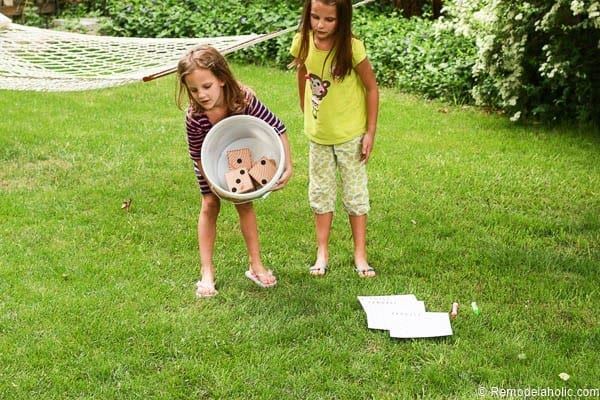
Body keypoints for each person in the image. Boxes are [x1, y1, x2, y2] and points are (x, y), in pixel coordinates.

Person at [176, 45, 293, 297]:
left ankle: (255, 264)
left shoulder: (243, 100)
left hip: (240, 154)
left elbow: (277, 127)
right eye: (194, 90)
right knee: (209, 204)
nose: (201, 95)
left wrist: (288, 165)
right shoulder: (195, 116)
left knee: (244, 204)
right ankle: (207, 271)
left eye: (207, 86)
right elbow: (196, 154)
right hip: (209, 163)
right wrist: (213, 184)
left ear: (221, 78)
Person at [290, 0, 379, 278]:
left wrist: (370, 132)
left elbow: (372, 89)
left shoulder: (352, 48)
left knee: (355, 194)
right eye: (315, 17)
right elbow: (303, 73)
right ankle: (322, 252)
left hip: (350, 135)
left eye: (329, 19)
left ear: (342, 19)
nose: (320, 25)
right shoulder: (303, 42)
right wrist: (305, 108)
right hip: (319, 136)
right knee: (320, 193)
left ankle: (360, 254)